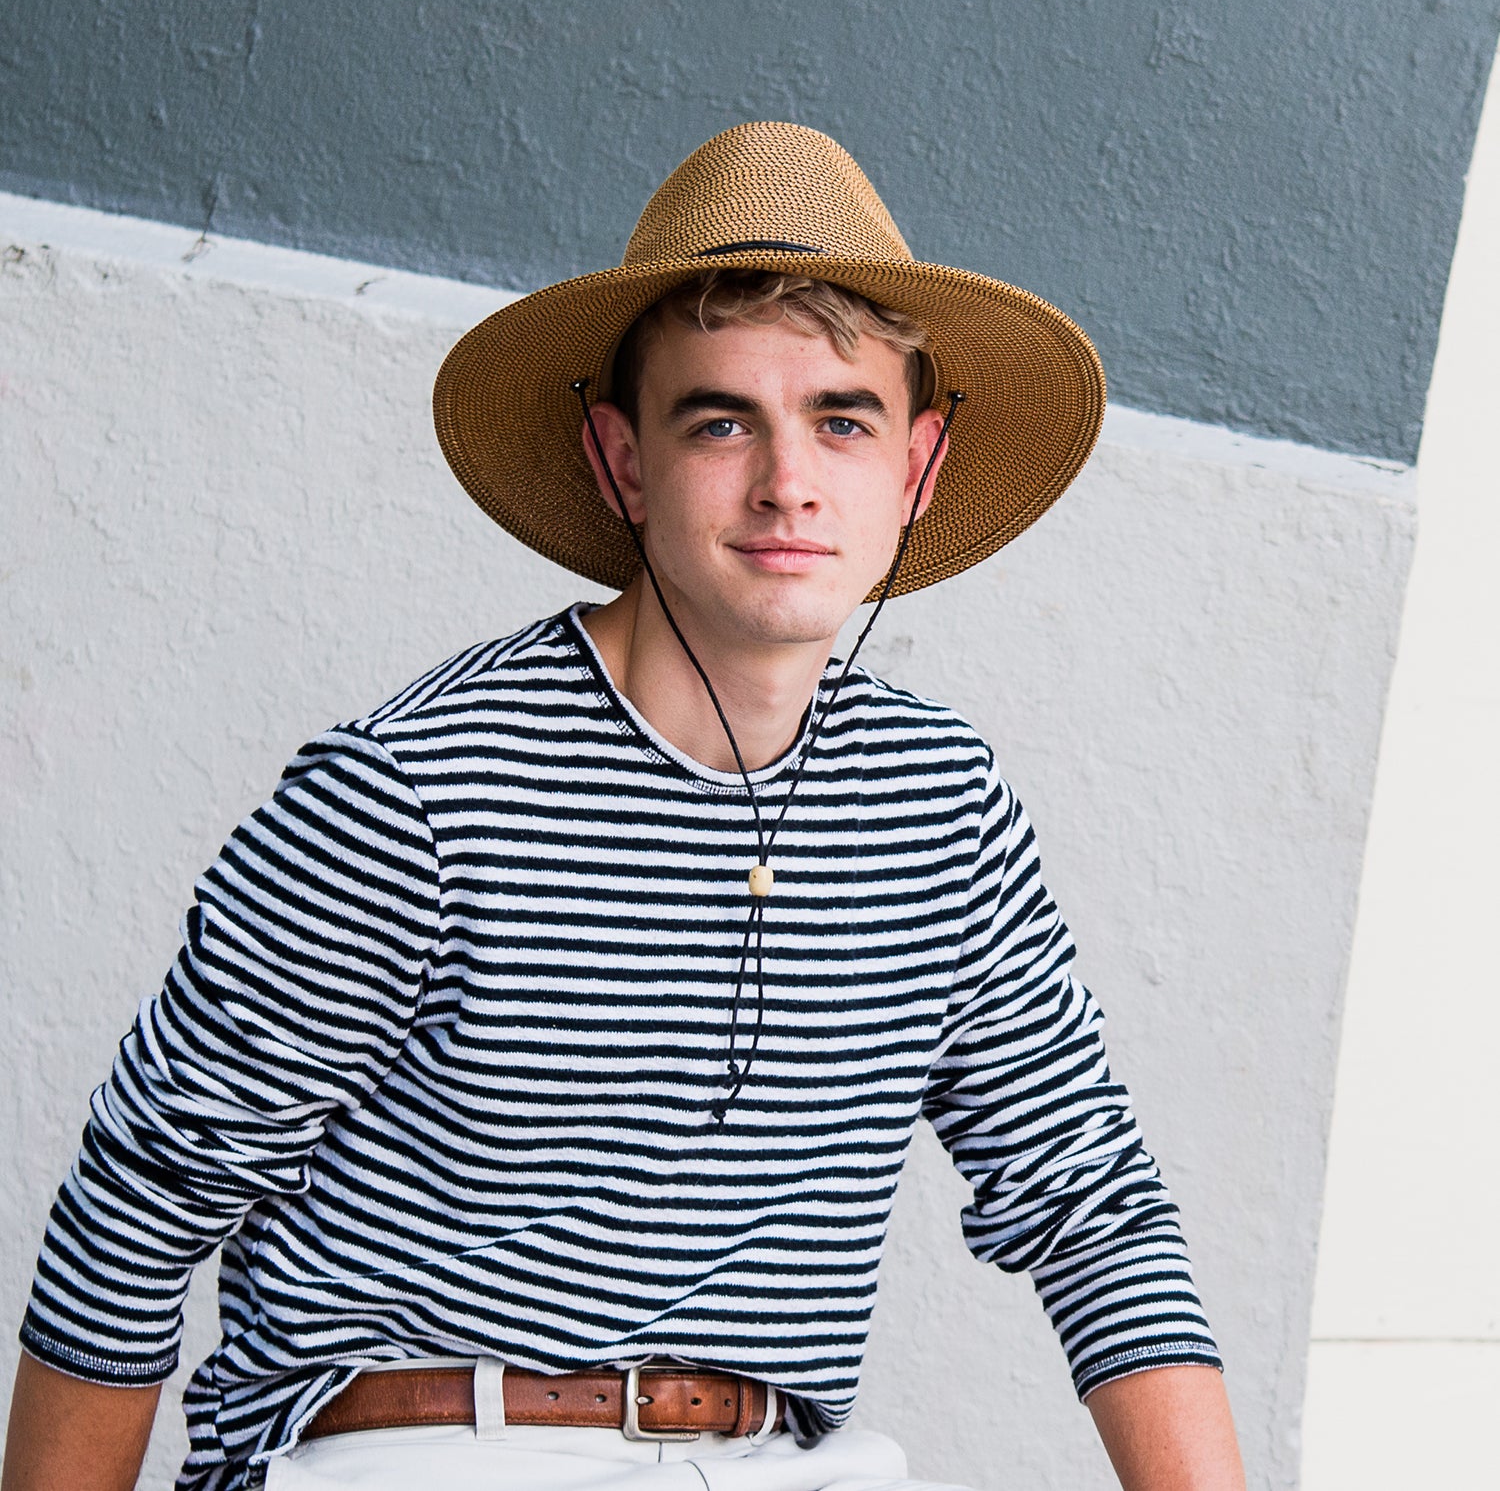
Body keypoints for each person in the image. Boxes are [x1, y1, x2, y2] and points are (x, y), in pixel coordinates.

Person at [3, 123, 1244, 1491]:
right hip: (428, 1453)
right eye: (721, 421)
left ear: (918, 468)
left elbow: (1094, 1203)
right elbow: (141, 1201)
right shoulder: (413, 788)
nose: (788, 482)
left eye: (843, 419)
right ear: (622, 461)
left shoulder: (944, 807)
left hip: (776, 1465)